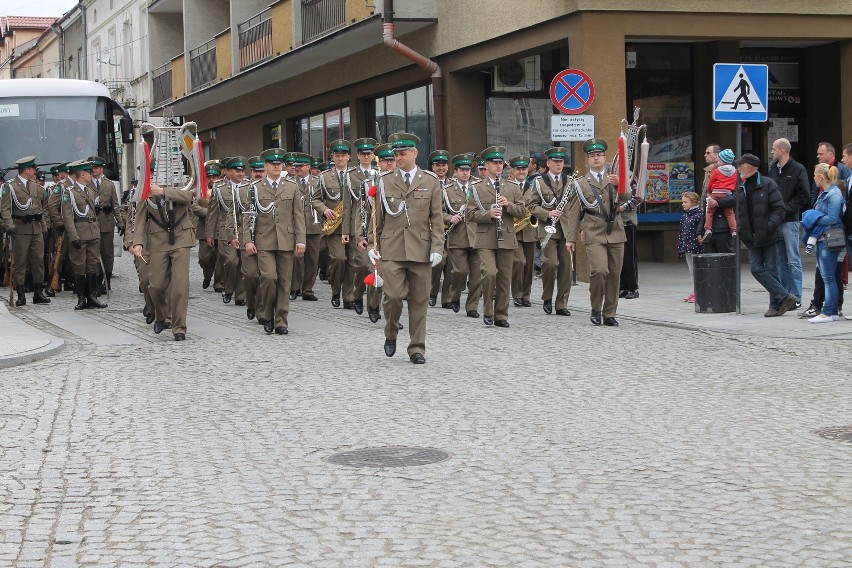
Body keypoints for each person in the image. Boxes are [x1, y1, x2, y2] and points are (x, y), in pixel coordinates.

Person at [371, 132, 443, 364]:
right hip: (392, 248)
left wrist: (437, 247)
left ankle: (416, 348)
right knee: (392, 297)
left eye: (403, 153)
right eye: (396, 153)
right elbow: (376, 217)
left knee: (419, 300)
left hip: (421, 248)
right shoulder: (384, 180)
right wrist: (372, 244)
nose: (398, 157)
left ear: (415, 153)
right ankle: (391, 332)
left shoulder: (430, 181)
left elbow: (437, 218)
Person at [565, 138, 636, 326]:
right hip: (593, 230)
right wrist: (570, 238)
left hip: (616, 230)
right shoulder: (580, 183)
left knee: (614, 274)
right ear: (588, 159)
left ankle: (610, 313)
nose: (596, 158)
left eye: (599, 155)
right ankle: (596, 307)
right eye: (592, 156)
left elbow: (628, 201)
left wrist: (620, 185)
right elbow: (574, 212)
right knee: (599, 270)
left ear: (605, 158)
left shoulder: (615, 177)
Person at [240, 148, 306, 334]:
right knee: (269, 278)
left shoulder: (292, 186)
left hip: (286, 240)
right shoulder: (255, 188)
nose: (276, 167)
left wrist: (301, 240)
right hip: (264, 241)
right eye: (272, 164)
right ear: (266, 166)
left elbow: (298, 216)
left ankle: (281, 321)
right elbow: (247, 216)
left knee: (285, 282)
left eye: (279, 164)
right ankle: (267, 313)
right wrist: (247, 241)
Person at [130, 161, 196, 341]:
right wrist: (138, 243)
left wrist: (164, 192)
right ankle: (160, 315)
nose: (152, 177)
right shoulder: (145, 190)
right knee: (156, 285)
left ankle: (179, 327)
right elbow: (140, 219)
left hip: (181, 236)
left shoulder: (180, 181)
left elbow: (189, 196)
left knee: (180, 286)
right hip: (158, 239)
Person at [466, 146, 524, 327]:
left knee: (504, 278)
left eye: (501, 163)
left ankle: (501, 315)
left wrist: (509, 205)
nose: (499, 167)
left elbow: (522, 211)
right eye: (495, 163)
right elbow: (470, 214)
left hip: (506, 237)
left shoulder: (512, 187)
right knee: (489, 273)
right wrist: (488, 214)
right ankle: (488, 310)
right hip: (485, 237)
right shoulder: (476, 188)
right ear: (487, 165)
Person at [734, 153, 798, 317]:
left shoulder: (768, 184)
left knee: (771, 269)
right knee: (756, 269)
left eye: (741, 165)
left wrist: (769, 226)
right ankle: (784, 296)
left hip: (768, 235)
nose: (739, 168)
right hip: (752, 237)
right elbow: (739, 211)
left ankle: (775, 306)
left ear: (749, 167)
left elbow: (779, 209)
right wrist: (742, 230)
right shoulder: (741, 186)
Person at [527, 147, 573, 316]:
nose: (559, 164)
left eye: (561, 162)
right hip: (547, 230)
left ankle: (562, 304)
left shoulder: (570, 181)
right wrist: (547, 213)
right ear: (548, 163)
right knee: (551, 263)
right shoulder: (539, 182)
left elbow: (576, 207)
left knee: (566, 268)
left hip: (567, 229)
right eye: (555, 161)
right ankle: (547, 296)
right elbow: (531, 206)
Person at [0, 156, 51, 306]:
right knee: (20, 262)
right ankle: (21, 294)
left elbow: (40, 208)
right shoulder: (10, 187)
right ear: (27, 170)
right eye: (33, 169)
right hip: (20, 229)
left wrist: (44, 227)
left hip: (36, 229)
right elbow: (4, 209)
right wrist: (9, 226)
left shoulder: (35, 186)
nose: (34, 171)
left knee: (38, 262)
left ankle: (38, 293)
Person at [766, 138, 811, 306]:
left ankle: (796, 297)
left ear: (782, 150)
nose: (772, 152)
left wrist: (785, 209)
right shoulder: (772, 169)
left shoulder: (798, 169)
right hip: (775, 221)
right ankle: (785, 296)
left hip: (790, 220)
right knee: (780, 260)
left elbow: (803, 195)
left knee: (793, 259)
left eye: (774, 149)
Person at [59, 159, 107, 310]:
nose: (91, 175)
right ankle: (81, 298)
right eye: (89, 173)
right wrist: (73, 237)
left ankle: (92, 297)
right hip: (79, 234)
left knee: (92, 265)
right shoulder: (70, 193)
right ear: (82, 174)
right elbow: (67, 217)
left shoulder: (89, 191)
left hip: (93, 233)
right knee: (80, 266)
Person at [802, 163, 845, 323]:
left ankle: (827, 312)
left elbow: (833, 218)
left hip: (829, 238)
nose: (813, 178)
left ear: (820, 176)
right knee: (830, 276)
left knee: (828, 277)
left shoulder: (833, 194)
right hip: (823, 238)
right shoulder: (826, 193)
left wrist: (814, 218)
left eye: (814, 175)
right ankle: (832, 311)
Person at [314, 139, 353, 308]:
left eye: (343, 155)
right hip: (334, 226)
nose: (340, 159)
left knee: (353, 261)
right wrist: (324, 210)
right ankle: (336, 290)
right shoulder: (324, 177)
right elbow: (315, 199)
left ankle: (349, 297)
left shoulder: (355, 175)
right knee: (338, 259)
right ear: (333, 157)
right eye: (337, 156)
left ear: (349, 157)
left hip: (352, 225)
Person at [443, 153, 482, 318]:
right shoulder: (446, 191)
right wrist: (449, 217)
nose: (465, 173)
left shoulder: (478, 188)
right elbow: (437, 212)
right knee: (460, 271)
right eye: (462, 170)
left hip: (477, 236)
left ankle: (472, 306)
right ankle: (455, 294)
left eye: (467, 170)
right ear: (456, 171)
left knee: (477, 275)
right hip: (457, 236)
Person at [343, 138, 378, 314]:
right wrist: (346, 231)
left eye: (369, 153)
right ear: (357, 156)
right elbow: (348, 205)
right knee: (362, 265)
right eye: (363, 154)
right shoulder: (350, 175)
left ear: (373, 155)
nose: (366, 156)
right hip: (359, 225)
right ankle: (357, 294)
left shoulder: (379, 174)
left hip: (376, 226)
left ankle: (373, 306)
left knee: (375, 267)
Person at [290, 152, 323, 303]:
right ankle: (294, 287)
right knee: (297, 258)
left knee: (312, 260)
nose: (297, 168)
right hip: (296, 227)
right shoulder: (289, 182)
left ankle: (308, 289)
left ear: (309, 167)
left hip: (313, 226)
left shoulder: (317, 181)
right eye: (295, 166)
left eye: (300, 166)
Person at [88, 156, 121, 294]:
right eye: (91, 167)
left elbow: (115, 205)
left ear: (101, 169)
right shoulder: (86, 184)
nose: (93, 170)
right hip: (92, 224)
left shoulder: (109, 184)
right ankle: (96, 281)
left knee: (107, 254)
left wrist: (120, 222)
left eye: (96, 167)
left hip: (107, 223)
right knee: (94, 254)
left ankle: (106, 279)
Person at [510, 155, 536, 308]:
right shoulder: (507, 187)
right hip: (514, 230)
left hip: (530, 230)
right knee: (519, 262)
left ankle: (526, 295)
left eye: (524, 169)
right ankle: (517, 294)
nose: (521, 171)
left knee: (529, 266)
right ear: (512, 171)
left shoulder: (534, 186)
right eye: (518, 169)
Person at [427, 149, 452, 308]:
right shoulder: (428, 182)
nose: (441, 168)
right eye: (437, 165)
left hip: (453, 230)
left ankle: (447, 299)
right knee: (438, 262)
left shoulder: (454, 184)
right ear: (432, 167)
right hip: (434, 229)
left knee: (451, 266)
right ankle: (432, 292)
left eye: (443, 165)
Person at [702, 148, 738, 240]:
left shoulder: (717, 171)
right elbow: (735, 184)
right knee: (730, 214)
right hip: (727, 193)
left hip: (716, 193)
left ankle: (708, 229)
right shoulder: (735, 171)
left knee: (709, 211)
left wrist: (709, 191)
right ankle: (734, 230)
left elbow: (711, 183)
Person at [677, 191, 704, 303]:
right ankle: (695, 291)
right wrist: (680, 247)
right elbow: (681, 233)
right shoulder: (685, 216)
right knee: (692, 271)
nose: (683, 204)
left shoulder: (699, 215)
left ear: (693, 202)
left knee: (698, 270)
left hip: (697, 247)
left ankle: (699, 292)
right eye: (682, 202)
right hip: (687, 247)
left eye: (685, 202)